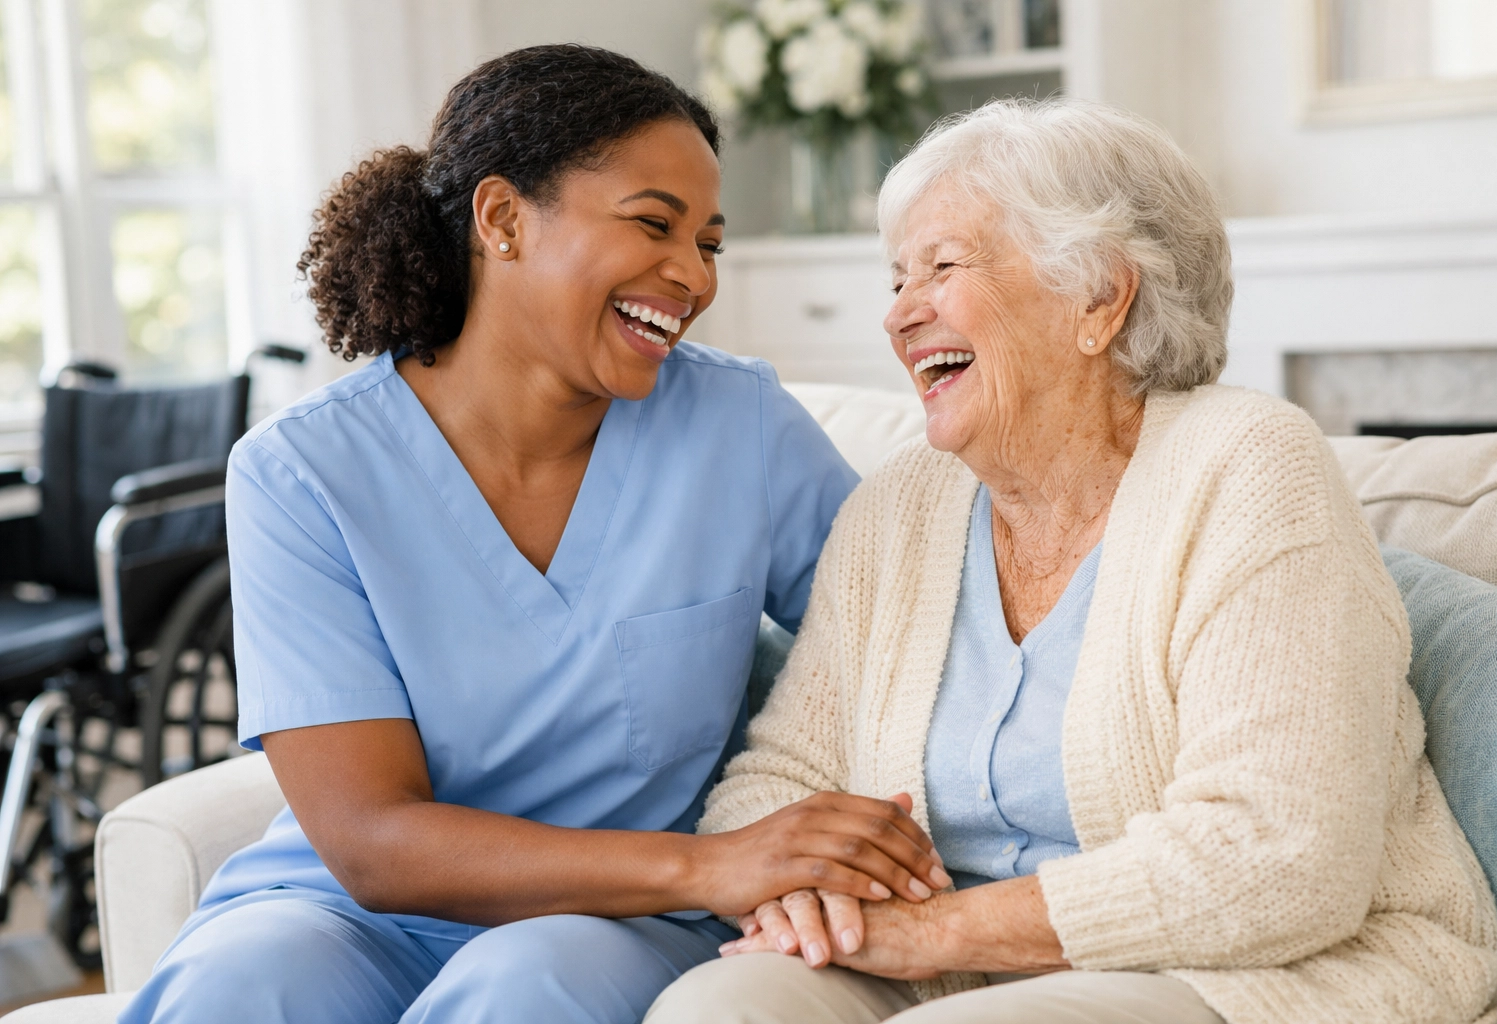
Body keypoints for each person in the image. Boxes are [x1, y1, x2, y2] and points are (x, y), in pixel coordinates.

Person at [120, 45, 954, 1024]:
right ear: (503, 219)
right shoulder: (301, 472)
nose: (692, 276)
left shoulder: (743, 428)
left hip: (623, 919)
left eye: (710, 245)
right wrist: (714, 861)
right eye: (654, 224)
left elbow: (913, 636)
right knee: (238, 985)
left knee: (525, 987)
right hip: (361, 913)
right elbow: (372, 840)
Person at [646, 98, 1497, 1024]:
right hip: (947, 970)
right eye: (896, 280)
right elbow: (777, 780)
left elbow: (1279, 858)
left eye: (942, 267)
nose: (898, 315)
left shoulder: (1249, 467)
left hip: (1250, 969)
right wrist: (801, 895)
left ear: (1099, 297)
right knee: (715, 1009)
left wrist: (937, 931)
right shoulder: (899, 507)